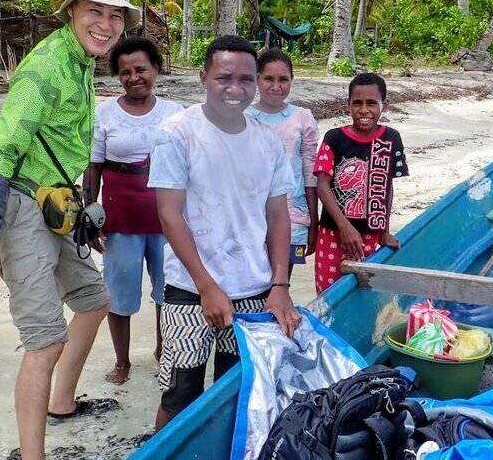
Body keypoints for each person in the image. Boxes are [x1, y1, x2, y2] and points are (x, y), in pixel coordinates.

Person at [0, 0, 139, 460]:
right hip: (22, 206)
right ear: (71, 10)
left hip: (56, 201)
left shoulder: (81, 60)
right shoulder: (48, 65)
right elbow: (0, 153)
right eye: (95, 11)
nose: (106, 24)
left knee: (93, 300)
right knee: (44, 342)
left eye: (115, 15)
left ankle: (62, 402)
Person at [148, 35, 302, 429]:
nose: (236, 89)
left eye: (246, 79)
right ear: (203, 77)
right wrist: (207, 287)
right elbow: (170, 215)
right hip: (189, 287)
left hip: (253, 289)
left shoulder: (268, 141)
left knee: (238, 390)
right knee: (180, 395)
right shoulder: (176, 133)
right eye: (224, 78)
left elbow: (278, 215)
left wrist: (280, 285)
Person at [84, 37, 183, 385]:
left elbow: (188, 165)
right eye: (125, 72)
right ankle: (122, 361)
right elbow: (93, 167)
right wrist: (90, 213)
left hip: (167, 217)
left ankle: (163, 350)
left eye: (141, 69)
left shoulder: (174, 113)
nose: (133, 77)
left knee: (169, 289)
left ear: (156, 69)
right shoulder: (104, 113)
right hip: (120, 217)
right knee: (119, 291)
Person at [314, 72, 409, 294]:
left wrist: (384, 231)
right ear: (348, 105)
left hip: (371, 236)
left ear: (383, 105)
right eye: (357, 103)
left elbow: (386, 186)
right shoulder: (334, 138)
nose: (364, 110)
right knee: (328, 293)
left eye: (371, 103)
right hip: (333, 235)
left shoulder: (391, 138)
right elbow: (322, 186)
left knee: (365, 294)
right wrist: (345, 227)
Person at [246, 48, 318, 278]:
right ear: (257, 79)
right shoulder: (244, 117)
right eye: (269, 78)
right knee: (252, 280)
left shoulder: (302, 118)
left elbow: (310, 171)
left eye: (283, 79)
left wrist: (313, 221)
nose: (276, 86)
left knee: (281, 280)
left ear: (292, 81)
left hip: (293, 215)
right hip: (250, 214)